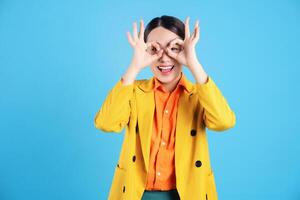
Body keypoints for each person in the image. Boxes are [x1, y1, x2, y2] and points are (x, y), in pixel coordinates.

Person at [94, 15, 236, 200]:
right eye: (154, 49)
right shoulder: (133, 91)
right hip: (136, 194)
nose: (164, 57)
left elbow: (224, 122)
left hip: (187, 194)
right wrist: (134, 67)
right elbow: (106, 123)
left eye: (174, 48)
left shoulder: (199, 94)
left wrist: (193, 64)